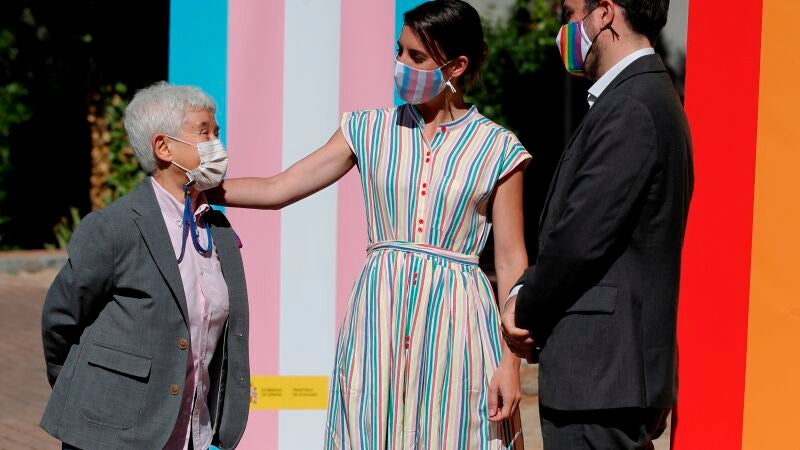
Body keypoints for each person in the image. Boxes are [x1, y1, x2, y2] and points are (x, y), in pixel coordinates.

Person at [209, 1, 530, 447]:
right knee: (367, 427)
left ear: (456, 66)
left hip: (459, 323)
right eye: (399, 51)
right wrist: (199, 190)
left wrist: (511, 363)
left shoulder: (499, 148)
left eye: (416, 57)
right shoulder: (367, 129)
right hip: (379, 314)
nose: (401, 65)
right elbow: (278, 188)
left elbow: (512, 261)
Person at [501, 0, 693, 448]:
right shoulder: (646, 96)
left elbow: (579, 239)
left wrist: (523, 307)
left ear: (604, 12)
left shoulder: (631, 104)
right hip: (610, 377)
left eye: (570, 14)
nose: (564, 29)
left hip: (600, 377)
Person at [40, 82, 251, 450]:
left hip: (190, 432)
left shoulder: (217, 229)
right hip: (110, 434)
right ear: (163, 147)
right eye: (204, 132)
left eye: (216, 133)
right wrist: (91, 390)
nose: (216, 144)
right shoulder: (113, 227)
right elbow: (60, 320)